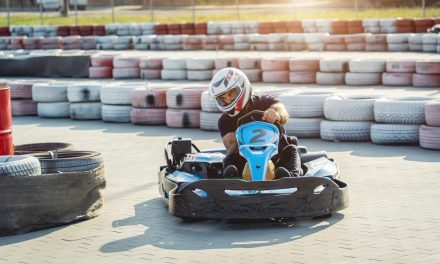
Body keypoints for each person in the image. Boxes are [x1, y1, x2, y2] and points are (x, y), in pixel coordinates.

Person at [208, 67, 302, 179]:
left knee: (292, 150)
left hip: (278, 158)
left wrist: (276, 114)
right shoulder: (225, 120)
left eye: (231, 94)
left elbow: (282, 112)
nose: (227, 101)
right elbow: (231, 146)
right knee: (230, 158)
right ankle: (233, 179)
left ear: (242, 87)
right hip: (248, 163)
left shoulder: (265, 102)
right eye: (223, 98)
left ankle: (289, 177)